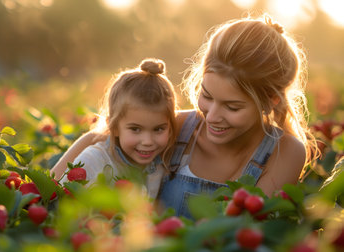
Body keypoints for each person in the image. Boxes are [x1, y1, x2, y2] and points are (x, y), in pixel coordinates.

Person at [51, 15, 319, 218]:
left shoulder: (283, 152)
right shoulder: (176, 128)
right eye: (207, 96)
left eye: (232, 107)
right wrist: (49, 189)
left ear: (270, 101)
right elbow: (102, 139)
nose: (212, 116)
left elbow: (248, 228)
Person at [58, 58, 179, 199]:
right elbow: (60, 204)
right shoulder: (93, 161)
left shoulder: (160, 166)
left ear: (170, 127)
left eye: (158, 129)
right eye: (135, 129)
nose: (147, 141)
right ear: (114, 127)